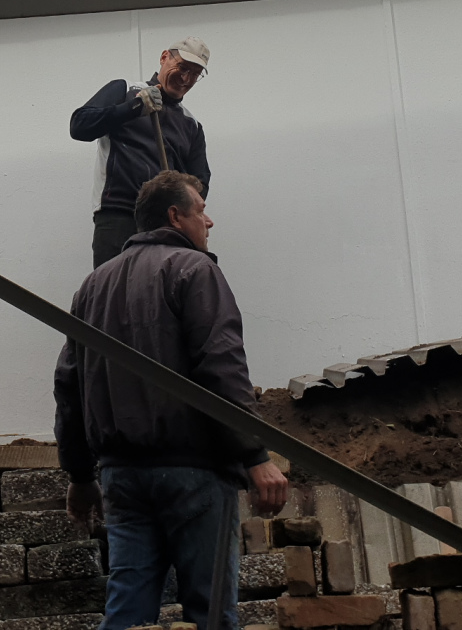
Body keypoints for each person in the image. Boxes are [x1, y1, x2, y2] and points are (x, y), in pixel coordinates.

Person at [53, 170, 288, 630]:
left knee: (127, 612)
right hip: (194, 471)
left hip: (122, 477)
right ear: (176, 216)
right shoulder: (195, 270)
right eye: (201, 210)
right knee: (210, 611)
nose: (209, 221)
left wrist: (80, 475)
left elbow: (69, 386)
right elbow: (221, 367)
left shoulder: (93, 286)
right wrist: (254, 455)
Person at [70, 38, 212, 268]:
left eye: (195, 74)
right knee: (116, 286)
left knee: (163, 288)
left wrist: (181, 211)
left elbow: (201, 182)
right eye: (182, 68)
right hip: (120, 214)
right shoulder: (125, 90)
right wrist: (134, 107)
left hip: (165, 225)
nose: (186, 79)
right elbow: (79, 126)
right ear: (164, 57)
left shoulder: (191, 124)